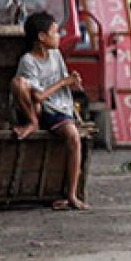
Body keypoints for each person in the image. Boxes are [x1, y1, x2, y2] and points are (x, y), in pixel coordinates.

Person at [10, 11, 89, 211]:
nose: (59, 36)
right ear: (42, 37)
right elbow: (37, 96)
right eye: (55, 32)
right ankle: (32, 122)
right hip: (38, 108)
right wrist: (64, 81)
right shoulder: (28, 60)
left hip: (59, 107)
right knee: (19, 83)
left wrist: (73, 83)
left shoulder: (56, 55)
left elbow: (63, 84)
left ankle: (71, 195)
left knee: (73, 137)